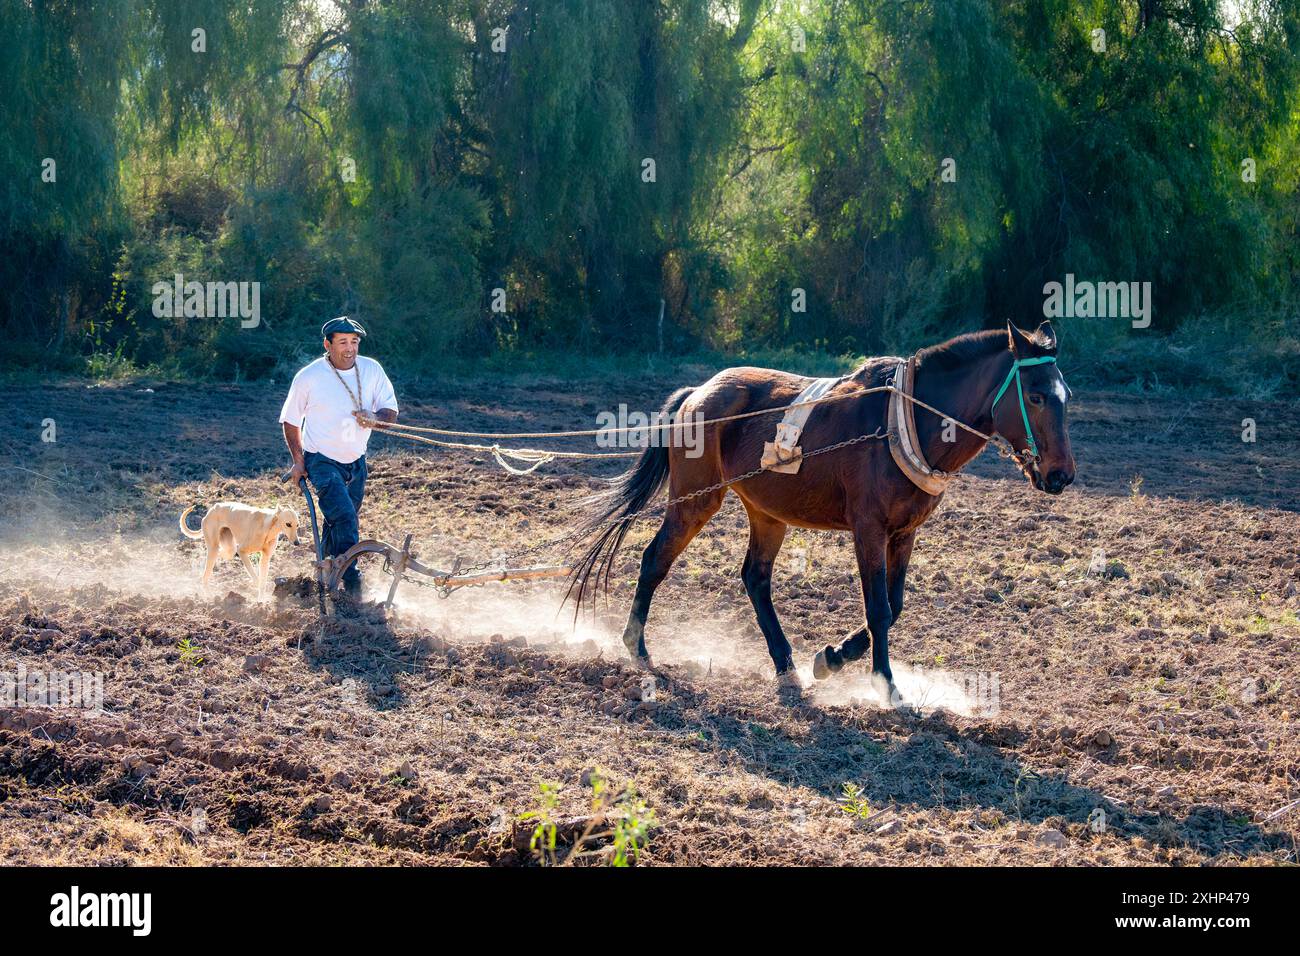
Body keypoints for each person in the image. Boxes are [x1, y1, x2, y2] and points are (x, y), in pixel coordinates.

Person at [279, 316, 398, 598]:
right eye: (342, 342)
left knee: (340, 521)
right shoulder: (309, 376)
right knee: (345, 517)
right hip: (321, 460)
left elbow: (390, 412)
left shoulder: (372, 370)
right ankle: (351, 580)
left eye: (354, 342)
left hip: (357, 461)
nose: (349, 348)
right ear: (327, 344)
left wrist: (375, 418)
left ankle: (327, 576)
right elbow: (291, 420)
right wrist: (298, 460)